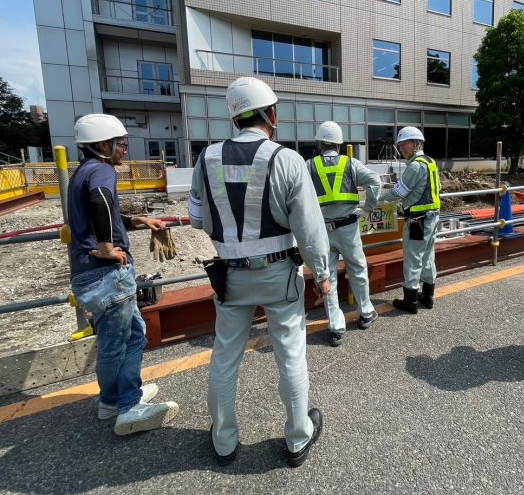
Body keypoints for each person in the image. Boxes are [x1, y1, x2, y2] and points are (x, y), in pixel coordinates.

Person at [188, 76, 332, 468]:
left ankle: (224, 442)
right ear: (270, 113)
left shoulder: (206, 158)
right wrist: (322, 273)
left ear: (235, 117)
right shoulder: (286, 159)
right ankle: (298, 439)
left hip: (229, 276)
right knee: (290, 353)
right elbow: (309, 226)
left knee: (224, 357)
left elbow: (197, 218)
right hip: (278, 273)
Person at [68, 114, 179, 435]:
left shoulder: (82, 172)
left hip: (91, 275)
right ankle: (128, 406)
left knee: (124, 337)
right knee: (123, 342)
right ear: (104, 144)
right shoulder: (102, 170)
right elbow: (101, 200)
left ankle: (112, 400)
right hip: (107, 274)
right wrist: (106, 247)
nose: (124, 151)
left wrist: (140, 221)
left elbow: (104, 213)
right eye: (122, 144)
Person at [307, 121, 382, 347]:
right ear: (339, 144)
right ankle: (366, 312)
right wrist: (367, 208)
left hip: (321, 230)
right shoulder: (351, 164)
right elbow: (375, 182)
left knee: (327, 276)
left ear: (320, 143)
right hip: (348, 228)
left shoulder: (309, 165)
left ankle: (336, 327)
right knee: (358, 269)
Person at [378, 127, 441, 313]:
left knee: (413, 259)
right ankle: (428, 297)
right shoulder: (430, 162)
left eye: (405, 143)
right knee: (428, 256)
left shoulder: (415, 165)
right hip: (432, 216)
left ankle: (410, 300)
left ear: (416, 143)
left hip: (418, 220)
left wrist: (379, 199)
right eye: (400, 144)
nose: (401, 148)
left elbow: (400, 192)